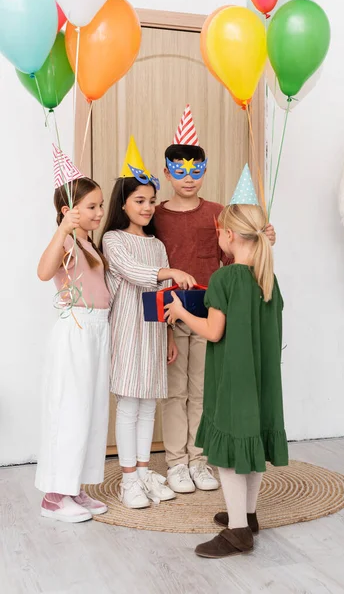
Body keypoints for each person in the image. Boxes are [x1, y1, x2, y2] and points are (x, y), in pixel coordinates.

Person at [165, 166, 288, 558]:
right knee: (251, 446)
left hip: (234, 379)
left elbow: (214, 331)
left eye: (218, 231)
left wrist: (181, 314)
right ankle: (248, 516)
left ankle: (238, 532)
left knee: (234, 454)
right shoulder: (267, 276)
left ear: (229, 235)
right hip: (262, 377)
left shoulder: (225, 278)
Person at [154, 105, 277, 494]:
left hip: (213, 312)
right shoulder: (156, 216)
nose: (188, 178)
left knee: (205, 388)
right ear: (167, 171)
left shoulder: (219, 214)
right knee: (175, 390)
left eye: (195, 170)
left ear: (204, 171)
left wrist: (262, 239)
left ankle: (199, 458)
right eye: (179, 170)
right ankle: (175, 461)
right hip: (173, 314)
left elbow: (233, 257)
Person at [101, 137, 197, 508]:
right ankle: (128, 479)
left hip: (155, 332)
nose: (147, 207)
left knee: (147, 407)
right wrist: (170, 270)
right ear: (123, 203)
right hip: (127, 332)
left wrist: (170, 333)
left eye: (151, 201)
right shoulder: (113, 239)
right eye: (139, 200)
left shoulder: (156, 244)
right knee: (128, 405)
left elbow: (162, 294)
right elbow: (135, 273)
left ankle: (142, 472)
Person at [35, 146, 110, 523]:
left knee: (91, 410)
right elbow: (44, 272)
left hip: (97, 330)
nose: (99, 212)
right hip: (76, 329)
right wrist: (62, 230)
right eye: (92, 207)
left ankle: (74, 486)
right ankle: (54, 494)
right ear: (68, 211)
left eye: (100, 206)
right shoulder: (65, 240)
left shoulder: (89, 243)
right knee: (70, 408)